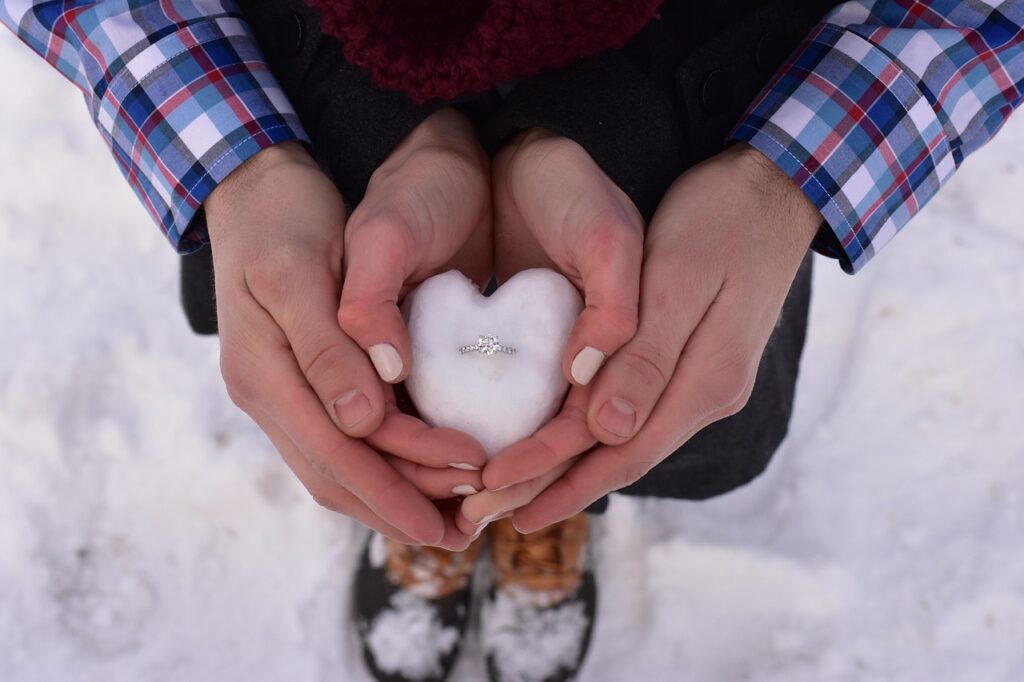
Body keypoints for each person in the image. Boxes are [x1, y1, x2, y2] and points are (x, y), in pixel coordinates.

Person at [3, 1, 1022, 681]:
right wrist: (241, 158)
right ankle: (433, 494)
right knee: (362, 355)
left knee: (634, 367)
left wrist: (781, 178)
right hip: (323, 69)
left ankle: (530, 502)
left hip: (692, 83)